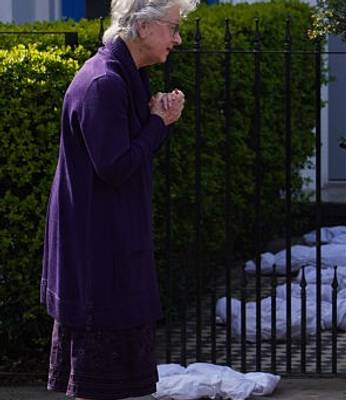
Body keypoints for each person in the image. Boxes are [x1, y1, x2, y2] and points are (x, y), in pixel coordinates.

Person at [40, 0, 195, 399]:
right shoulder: (104, 82)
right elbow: (113, 166)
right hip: (99, 252)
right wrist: (159, 124)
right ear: (143, 27)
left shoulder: (127, 76)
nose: (177, 39)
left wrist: (154, 118)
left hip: (110, 241)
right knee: (102, 386)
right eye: (172, 28)